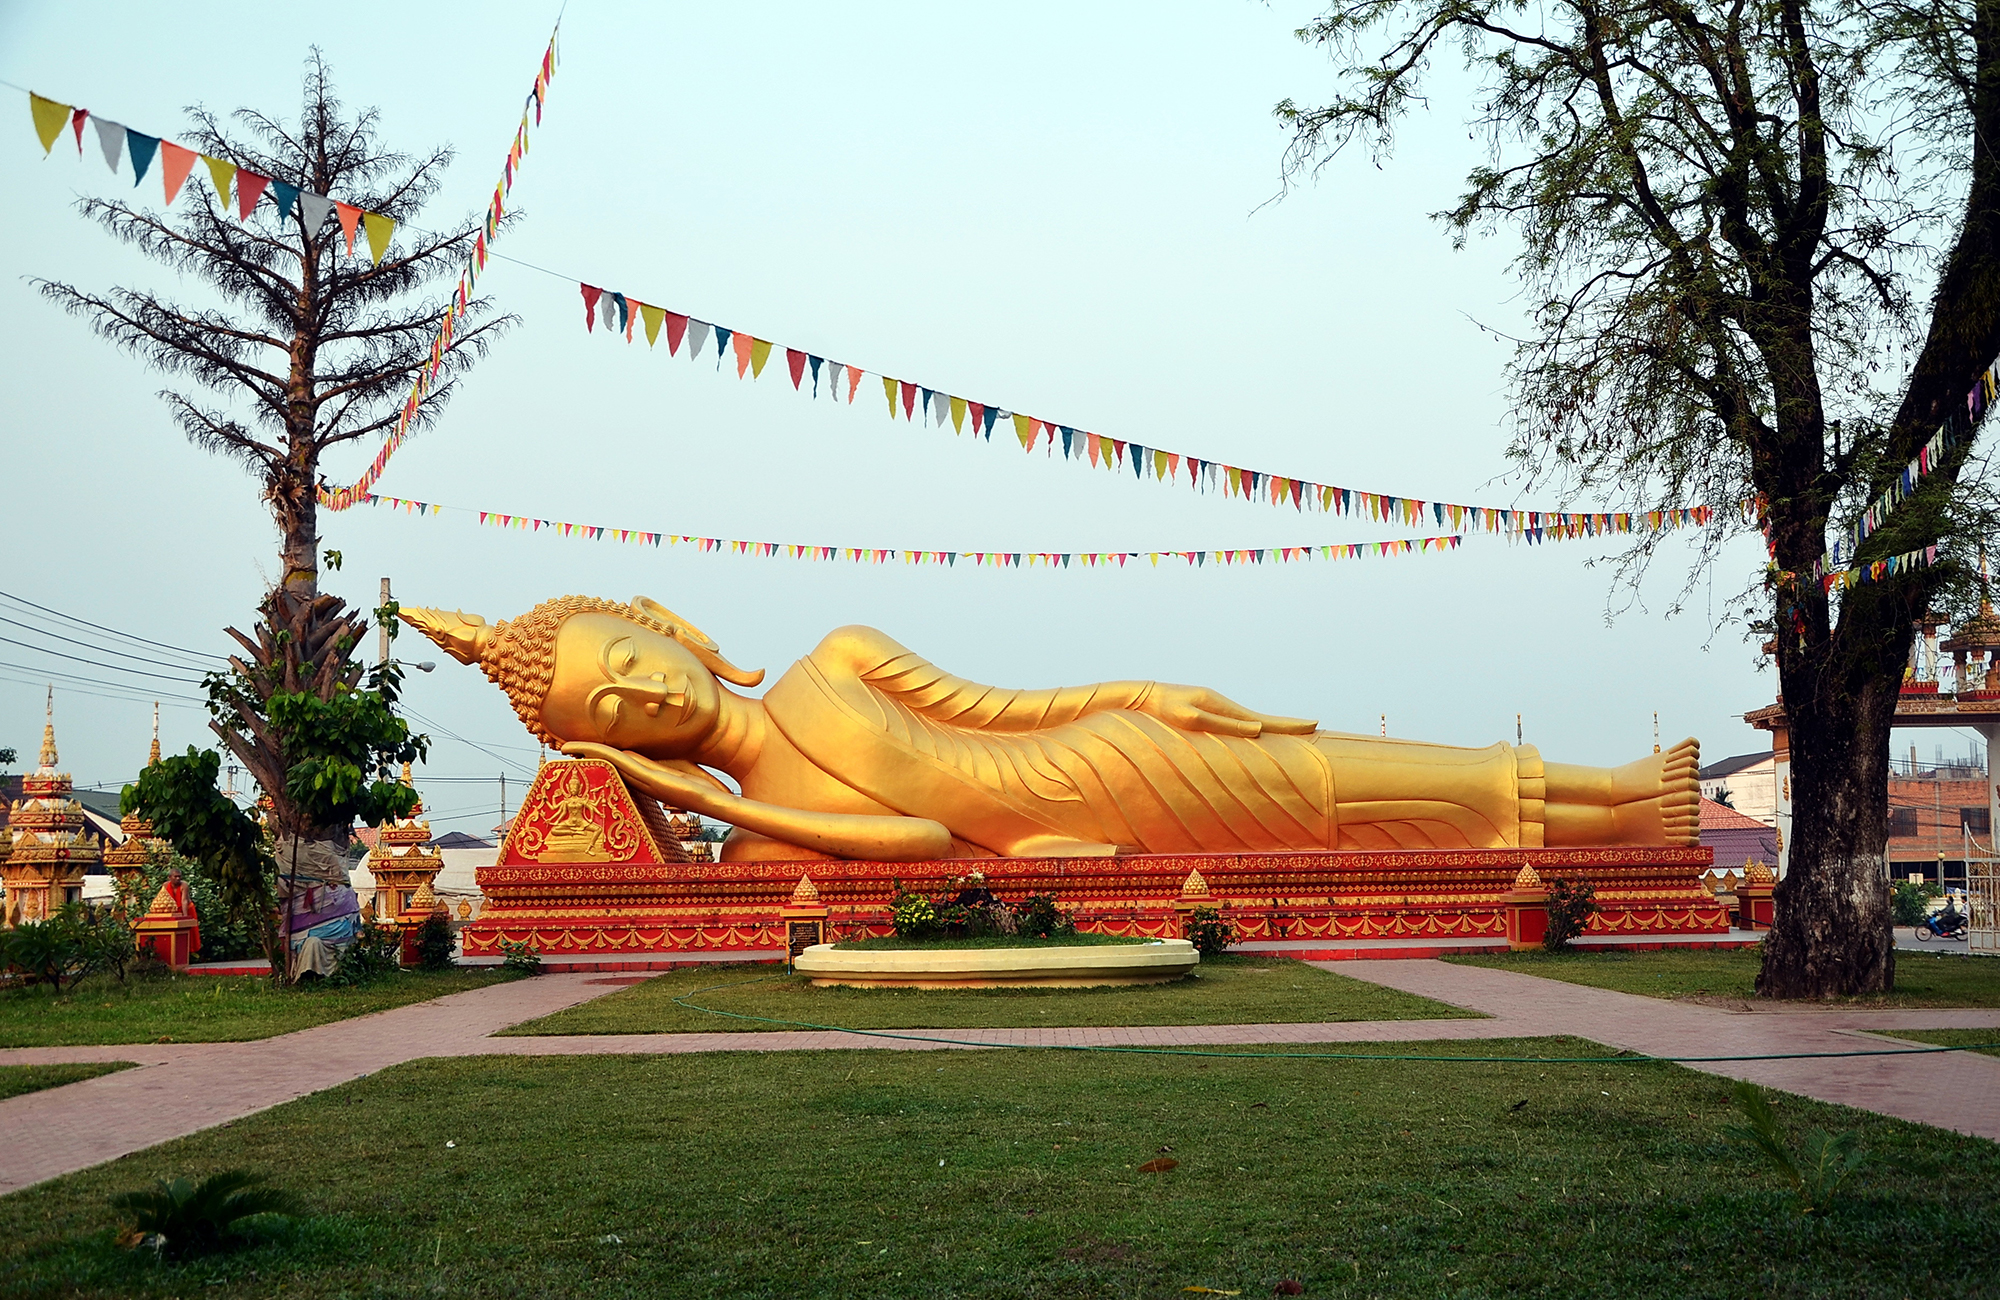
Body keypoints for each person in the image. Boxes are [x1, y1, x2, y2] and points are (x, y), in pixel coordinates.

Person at [403, 596, 1700, 862]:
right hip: (1080, 832)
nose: (650, 693)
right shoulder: (775, 828)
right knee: (1331, 816)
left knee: (1325, 767)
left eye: (633, 658)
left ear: (666, 624)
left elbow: (1006, 710)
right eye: (617, 715)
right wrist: (715, 800)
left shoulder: (833, 659)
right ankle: (1623, 825)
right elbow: (919, 837)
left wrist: (1149, 691)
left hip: (1111, 756)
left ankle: (1626, 799)